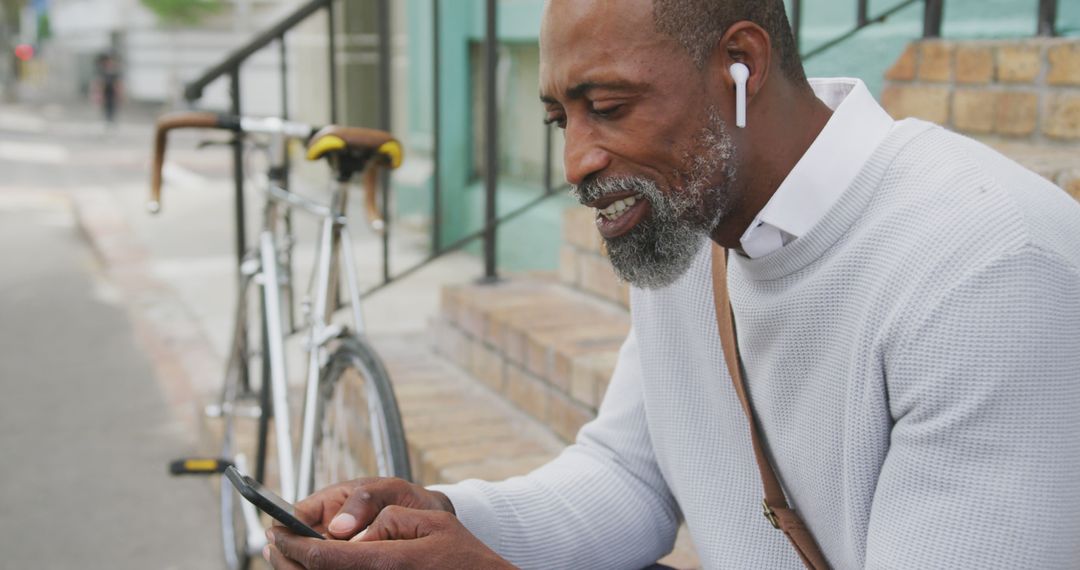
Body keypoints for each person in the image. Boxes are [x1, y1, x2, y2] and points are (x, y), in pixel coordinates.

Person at [266, 0, 1080, 567]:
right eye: (560, 118)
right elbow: (628, 478)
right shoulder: (690, 218)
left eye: (609, 107)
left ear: (741, 64)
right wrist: (438, 523)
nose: (575, 162)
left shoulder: (988, 272)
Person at [92, 53, 122, 126]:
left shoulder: (114, 72)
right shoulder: (101, 71)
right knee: (105, 106)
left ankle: (111, 119)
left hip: (112, 91)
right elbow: (99, 82)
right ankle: (107, 119)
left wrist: (119, 93)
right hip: (105, 91)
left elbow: (117, 83)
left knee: (112, 105)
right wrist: (98, 93)